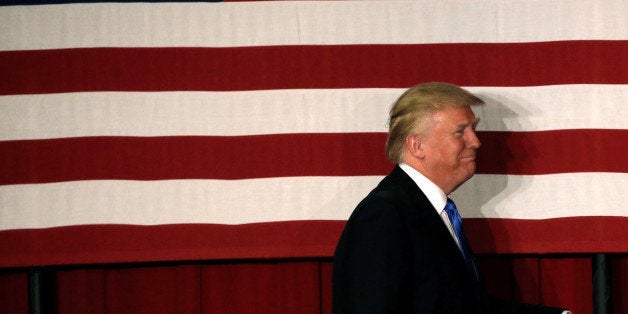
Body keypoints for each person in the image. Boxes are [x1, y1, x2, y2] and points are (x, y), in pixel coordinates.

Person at [332, 82, 570, 314]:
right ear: (417, 145)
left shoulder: (432, 210)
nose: (476, 142)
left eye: (473, 129)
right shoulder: (384, 215)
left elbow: (467, 305)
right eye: (460, 132)